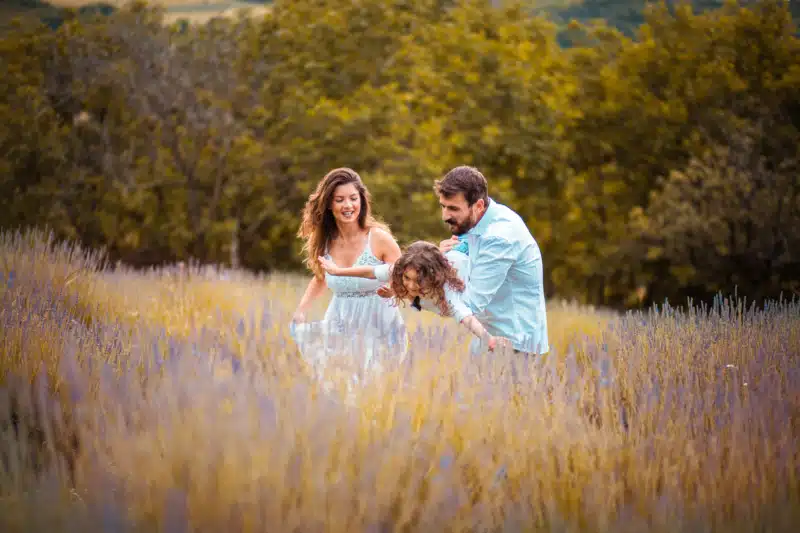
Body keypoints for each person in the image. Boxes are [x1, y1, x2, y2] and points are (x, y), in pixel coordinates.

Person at [291, 167, 407, 375]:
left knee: (371, 391)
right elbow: (320, 279)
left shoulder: (378, 238)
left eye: (353, 198)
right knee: (340, 389)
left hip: (379, 326)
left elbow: (405, 277)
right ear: (328, 204)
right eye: (339, 199)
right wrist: (301, 310)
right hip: (340, 324)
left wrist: (393, 290)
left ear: (362, 201)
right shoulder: (324, 241)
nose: (348, 205)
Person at [436, 165, 549, 355]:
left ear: (479, 205)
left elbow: (468, 303)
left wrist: (416, 294)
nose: (445, 216)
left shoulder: (499, 236)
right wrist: (438, 259)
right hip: (487, 338)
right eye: (443, 206)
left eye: (453, 208)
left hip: (514, 345)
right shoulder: (475, 222)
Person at [318, 240, 507, 351]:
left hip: (466, 259)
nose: (410, 284)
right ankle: (443, 250)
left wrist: (489, 340)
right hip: (447, 258)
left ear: (433, 278)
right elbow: (370, 271)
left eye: (418, 281)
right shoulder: (402, 270)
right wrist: (337, 271)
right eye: (406, 278)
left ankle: (448, 248)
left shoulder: (447, 292)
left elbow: (467, 319)